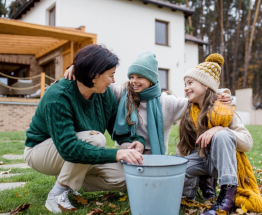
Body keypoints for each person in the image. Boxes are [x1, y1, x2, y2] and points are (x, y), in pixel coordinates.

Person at [64, 51, 233, 200]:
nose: (133, 82)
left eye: (140, 77)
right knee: (106, 170)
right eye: (131, 77)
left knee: (155, 192)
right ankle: (72, 184)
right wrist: (76, 68)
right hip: (128, 156)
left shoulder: (167, 103)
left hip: (156, 161)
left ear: (151, 78)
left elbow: (199, 95)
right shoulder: (122, 94)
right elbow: (99, 80)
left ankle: (201, 182)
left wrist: (224, 94)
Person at [24, 45, 143, 213]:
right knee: (96, 139)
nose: (114, 81)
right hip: (41, 152)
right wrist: (116, 154)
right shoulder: (58, 97)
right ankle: (56, 194)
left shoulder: (104, 94)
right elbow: (68, 148)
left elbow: (118, 129)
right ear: (93, 75)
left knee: (125, 178)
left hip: (75, 150)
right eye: (111, 75)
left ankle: (70, 180)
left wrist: (135, 142)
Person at [178, 54, 262, 214]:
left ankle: (227, 199)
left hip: (223, 163)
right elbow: (185, 146)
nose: (186, 87)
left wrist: (220, 129)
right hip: (201, 160)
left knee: (222, 136)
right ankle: (190, 194)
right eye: (185, 84)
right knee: (176, 166)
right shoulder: (188, 111)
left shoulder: (223, 109)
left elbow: (247, 142)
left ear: (206, 85)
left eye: (190, 83)